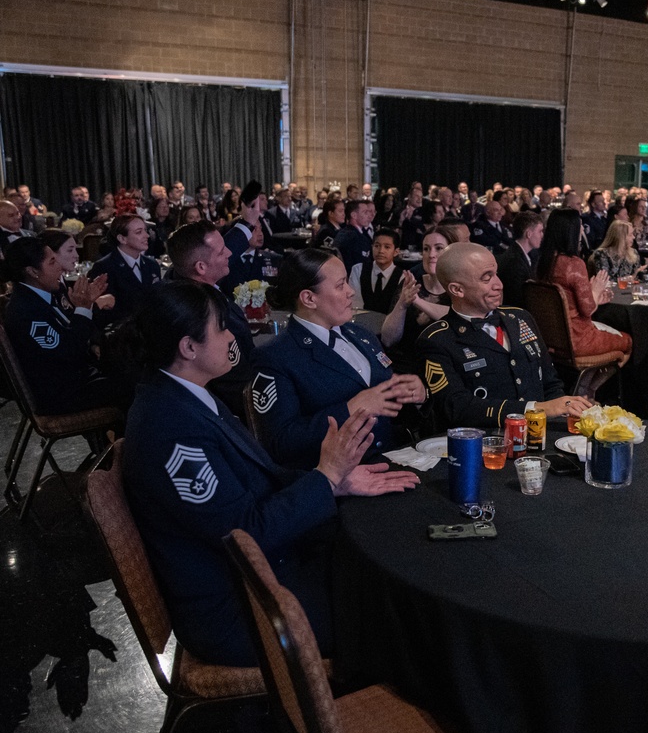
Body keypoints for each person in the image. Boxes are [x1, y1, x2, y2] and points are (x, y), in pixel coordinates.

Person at [124, 280, 418, 667]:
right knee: (394, 604)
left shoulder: (186, 394)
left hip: (264, 572)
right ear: (188, 347)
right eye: (221, 328)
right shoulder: (170, 428)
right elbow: (242, 534)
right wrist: (325, 478)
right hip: (239, 604)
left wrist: (332, 483)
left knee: (380, 566)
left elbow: (258, 482)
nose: (232, 335)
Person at [253, 249, 428, 469]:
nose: (351, 292)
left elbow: (387, 404)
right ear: (309, 298)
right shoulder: (277, 357)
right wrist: (349, 409)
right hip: (339, 477)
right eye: (340, 285)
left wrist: (415, 395)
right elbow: (280, 443)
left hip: (392, 458)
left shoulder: (360, 335)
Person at [417, 242, 591, 430]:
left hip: (540, 437)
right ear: (457, 290)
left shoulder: (520, 318)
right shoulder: (438, 340)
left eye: (496, 274)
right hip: (487, 445)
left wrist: (568, 412)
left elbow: (550, 384)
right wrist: (536, 409)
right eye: (486, 278)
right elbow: (458, 408)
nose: (499, 285)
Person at [2, 238, 117, 415]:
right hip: (62, 393)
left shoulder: (46, 293)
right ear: (33, 271)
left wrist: (89, 304)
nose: (60, 267)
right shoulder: (26, 311)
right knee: (135, 386)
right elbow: (69, 351)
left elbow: (74, 329)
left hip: (76, 376)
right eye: (52, 261)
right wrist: (83, 308)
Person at [168, 211, 260, 417]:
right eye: (221, 252)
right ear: (201, 267)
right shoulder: (202, 313)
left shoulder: (183, 280)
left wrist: (248, 223)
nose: (229, 253)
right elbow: (236, 385)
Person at [536, 209, 632, 359]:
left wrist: (596, 297)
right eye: (580, 225)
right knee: (628, 340)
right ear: (570, 231)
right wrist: (595, 290)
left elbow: (570, 304)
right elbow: (587, 310)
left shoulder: (542, 261)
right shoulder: (573, 264)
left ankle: (583, 382)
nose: (582, 229)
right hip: (579, 339)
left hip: (550, 339)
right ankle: (589, 383)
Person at [381, 228, 453, 374]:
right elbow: (388, 339)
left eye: (438, 248)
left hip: (447, 366)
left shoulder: (460, 288)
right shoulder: (412, 285)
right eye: (426, 249)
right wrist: (402, 303)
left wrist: (418, 302)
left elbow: (456, 317)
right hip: (409, 364)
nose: (431, 254)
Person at [87, 215, 160, 324]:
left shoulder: (152, 264)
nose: (147, 235)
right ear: (122, 238)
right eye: (139, 232)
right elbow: (105, 311)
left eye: (145, 230)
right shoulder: (105, 266)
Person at [347, 228, 404, 314]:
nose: (381, 251)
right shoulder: (358, 269)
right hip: (361, 322)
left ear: (396, 252)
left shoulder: (402, 277)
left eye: (387, 247)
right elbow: (355, 303)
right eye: (377, 246)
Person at [496, 212, 542, 308]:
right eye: (540, 231)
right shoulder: (514, 262)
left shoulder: (524, 254)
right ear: (529, 234)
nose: (542, 235)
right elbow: (518, 300)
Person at [333, 199, 375, 271]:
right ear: (354, 215)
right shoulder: (353, 237)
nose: (369, 215)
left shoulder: (344, 232)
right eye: (365, 212)